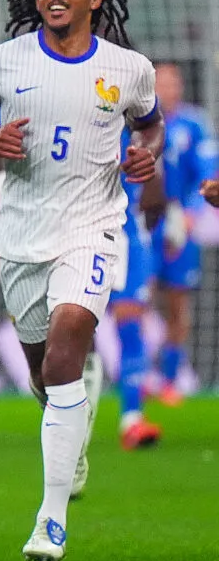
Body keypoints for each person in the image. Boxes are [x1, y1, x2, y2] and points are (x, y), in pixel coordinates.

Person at [0, 0, 163, 561]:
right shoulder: (2, 62)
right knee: (47, 374)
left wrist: (148, 153)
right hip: (20, 235)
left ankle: (51, 519)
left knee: (67, 347)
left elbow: (150, 123)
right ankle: (76, 417)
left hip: (92, 228)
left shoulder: (128, 68)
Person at [148, 62, 216, 403]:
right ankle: (139, 372)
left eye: (172, 83)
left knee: (177, 303)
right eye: (161, 83)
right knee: (138, 298)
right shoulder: (136, 122)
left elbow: (207, 172)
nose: (167, 89)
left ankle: (170, 380)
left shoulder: (194, 124)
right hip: (143, 221)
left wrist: (192, 212)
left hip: (179, 222)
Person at [108, 143, 164, 450]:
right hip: (77, 230)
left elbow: (155, 180)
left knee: (129, 325)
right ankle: (67, 416)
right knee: (73, 330)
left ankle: (132, 417)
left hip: (127, 234)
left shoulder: (141, 123)